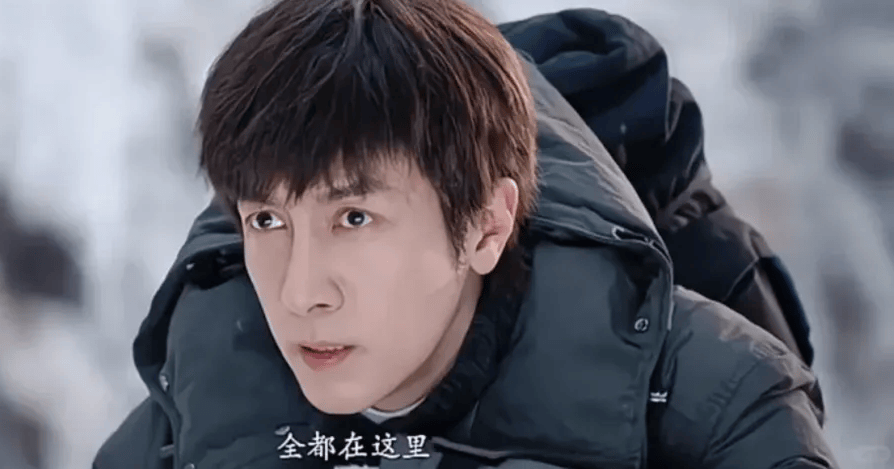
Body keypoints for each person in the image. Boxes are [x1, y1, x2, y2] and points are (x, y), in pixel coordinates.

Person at [94, 0, 838, 467]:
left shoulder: (723, 409)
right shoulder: (187, 424)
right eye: (267, 220)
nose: (299, 292)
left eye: (354, 218)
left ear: (487, 224)